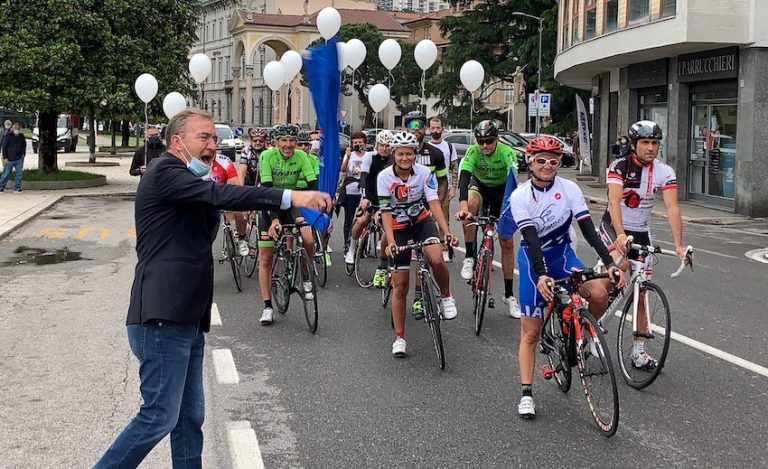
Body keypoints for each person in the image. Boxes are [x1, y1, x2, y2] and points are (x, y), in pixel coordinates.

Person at [93, 109, 330, 468]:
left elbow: (213, 203)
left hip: (187, 316)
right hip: (161, 315)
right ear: (177, 142)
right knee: (158, 416)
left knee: (189, 418)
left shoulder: (187, 181)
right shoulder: (164, 172)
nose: (212, 145)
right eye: (203, 137)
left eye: (214, 139)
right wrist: (291, 198)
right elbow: (221, 195)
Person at [507, 135, 623, 419]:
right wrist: (542, 275)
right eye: (541, 160)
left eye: (554, 161)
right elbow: (531, 239)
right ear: (530, 162)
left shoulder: (569, 188)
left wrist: (609, 263)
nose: (547, 166)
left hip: (563, 254)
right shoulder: (520, 196)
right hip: (534, 260)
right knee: (531, 332)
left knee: (599, 292)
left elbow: (588, 230)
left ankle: (583, 333)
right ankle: (526, 393)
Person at [593, 120, 688, 371]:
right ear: (634, 144)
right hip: (614, 227)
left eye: (655, 143)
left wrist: (679, 245)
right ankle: (591, 323)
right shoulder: (620, 166)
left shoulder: (664, 171)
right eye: (645, 142)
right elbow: (614, 202)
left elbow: (672, 208)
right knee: (616, 272)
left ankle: (639, 351)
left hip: (641, 232)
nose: (651, 148)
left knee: (641, 290)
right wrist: (620, 235)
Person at [378, 132, 459, 357]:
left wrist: (446, 231)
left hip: (421, 221)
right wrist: (391, 242)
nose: (405, 158)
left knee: (437, 258)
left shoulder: (424, 172)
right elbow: (385, 211)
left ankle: (446, 296)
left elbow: (433, 202)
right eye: (400, 154)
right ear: (394, 154)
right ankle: (400, 338)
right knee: (400, 285)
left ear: (415, 154)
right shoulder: (384, 177)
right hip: (398, 227)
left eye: (409, 154)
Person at [455, 120, 521, 318]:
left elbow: (514, 181)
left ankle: (509, 295)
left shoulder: (507, 152)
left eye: (489, 141)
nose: (484, 145)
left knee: (507, 243)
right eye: (481, 141)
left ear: (497, 139)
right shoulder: (473, 151)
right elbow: (464, 177)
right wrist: (463, 208)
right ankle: (469, 256)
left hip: (503, 191)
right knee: (470, 206)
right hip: (480, 187)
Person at [256, 123, 319, 326]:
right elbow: (266, 191)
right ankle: (267, 307)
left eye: (292, 140)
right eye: (284, 140)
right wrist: (274, 219)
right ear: (276, 142)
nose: (288, 145)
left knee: (308, 239)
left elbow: (313, 185)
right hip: (269, 204)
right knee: (266, 258)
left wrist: (320, 213)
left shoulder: (301, 156)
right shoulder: (267, 156)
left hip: (291, 204)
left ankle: (306, 277)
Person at [403, 111, 448, 317]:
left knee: (426, 255)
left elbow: (443, 181)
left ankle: (418, 297)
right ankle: (384, 267)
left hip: (426, 206)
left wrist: (436, 203)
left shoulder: (435, 153)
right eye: (412, 126)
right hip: (402, 206)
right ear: (407, 129)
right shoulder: (399, 152)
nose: (416, 129)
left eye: (420, 126)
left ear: (425, 129)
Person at [344, 130, 394, 283]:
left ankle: (385, 262)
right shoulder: (369, 157)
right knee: (362, 220)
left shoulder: (394, 159)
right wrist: (365, 198)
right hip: (370, 194)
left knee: (389, 227)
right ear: (377, 145)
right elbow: (364, 179)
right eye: (382, 145)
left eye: (387, 145)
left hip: (387, 197)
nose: (384, 148)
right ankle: (351, 249)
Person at [428, 116, 459, 261]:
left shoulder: (449, 146)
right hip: (428, 188)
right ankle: (424, 247)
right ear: (429, 129)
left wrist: (453, 187)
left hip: (443, 187)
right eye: (433, 128)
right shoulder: (426, 147)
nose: (435, 130)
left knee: (443, 220)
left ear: (442, 128)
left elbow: (454, 168)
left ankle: (445, 248)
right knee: (426, 219)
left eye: (438, 128)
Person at [341, 132, 371, 261]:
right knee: (349, 219)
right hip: (351, 190)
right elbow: (343, 169)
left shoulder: (369, 155)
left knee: (365, 220)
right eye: (355, 143)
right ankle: (347, 245)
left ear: (364, 143)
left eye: (360, 142)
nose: (358, 145)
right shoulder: (350, 154)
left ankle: (362, 247)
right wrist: (347, 157)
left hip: (364, 191)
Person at [0, 122, 27, 193]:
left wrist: (23, 154)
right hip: (9, 158)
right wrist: (5, 157)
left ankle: (17, 188)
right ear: (12, 128)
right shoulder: (8, 136)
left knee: (19, 174)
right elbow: (4, 147)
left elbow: (24, 145)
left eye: (18, 128)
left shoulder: (21, 136)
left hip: (19, 158)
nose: (16, 130)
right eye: (15, 128)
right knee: (6, 174)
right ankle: (1, 187)